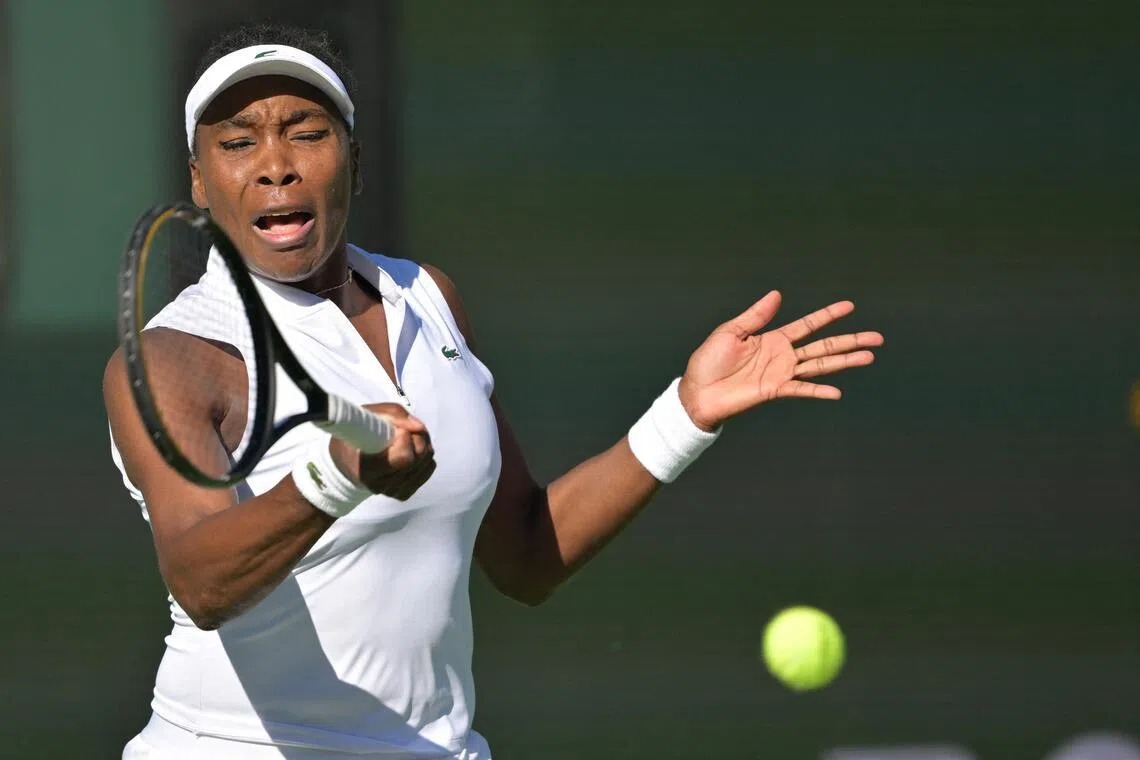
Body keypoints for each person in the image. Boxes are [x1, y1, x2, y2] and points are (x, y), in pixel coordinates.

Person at [103, 23, 884, 760]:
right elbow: (203, 582)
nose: (275, 164)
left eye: (307, 132)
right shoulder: (177, 358)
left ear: (355, 161)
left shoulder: (427, 298)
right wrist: (334, 480)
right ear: (200, 183)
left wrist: (683, 412)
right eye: (237, 143)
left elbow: (526, 553)